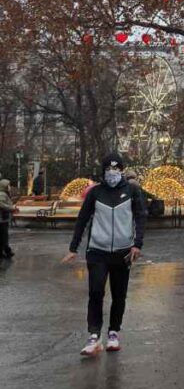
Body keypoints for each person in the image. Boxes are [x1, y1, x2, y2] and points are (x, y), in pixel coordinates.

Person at [61, 151, 146, 357]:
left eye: (116, 169)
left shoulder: (133, 191)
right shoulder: (95, 193)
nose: (112, 173)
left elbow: (140, 218)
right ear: (103, 171)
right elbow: (82, 220)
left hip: (123, 252)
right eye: (108, 169)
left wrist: (137, 244)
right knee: (96, 292)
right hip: (97, 251)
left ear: (122, 170)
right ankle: (94, 335)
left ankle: (114, 332)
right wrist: (73, 248)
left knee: (119, 295)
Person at [0, 179, 16, 259]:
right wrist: (11, 208)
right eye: (8, 185)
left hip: (3, 218)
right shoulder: (2, 194)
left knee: (3, 236)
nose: (10, 187)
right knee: (4, 236)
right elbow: (1, 204)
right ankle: (6, 251)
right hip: (2, 219)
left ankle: (5, 251)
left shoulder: (4, 193)